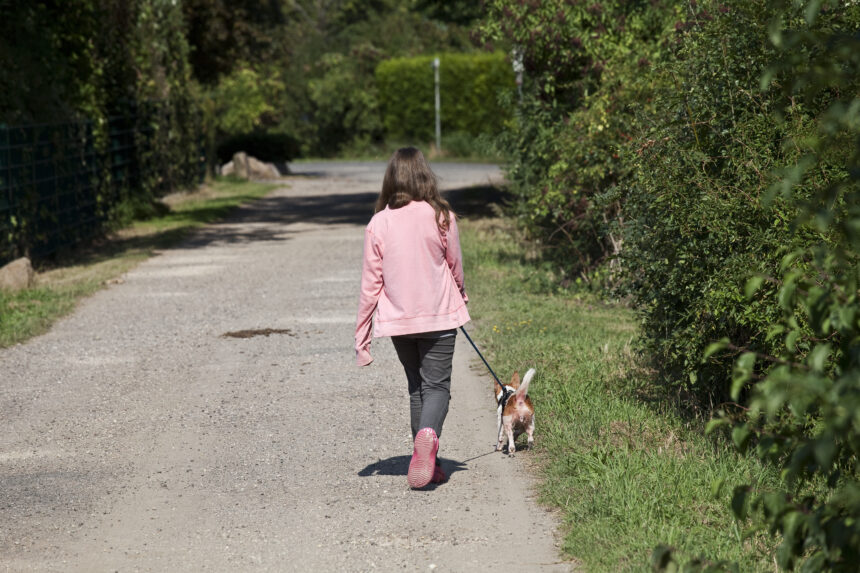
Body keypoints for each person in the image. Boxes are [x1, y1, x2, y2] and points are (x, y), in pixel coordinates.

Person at [355, 147, 470, 489]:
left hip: (400, 323)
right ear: (425, 175)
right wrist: (460, 297)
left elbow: (369, 286)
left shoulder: (379, 223)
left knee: (417, 388)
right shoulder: (441, 215)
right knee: (437, 388)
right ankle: (428, 438)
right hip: (438, 317)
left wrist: (361, 340)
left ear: (390, 179)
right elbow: (456, 267)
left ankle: (427, 462)